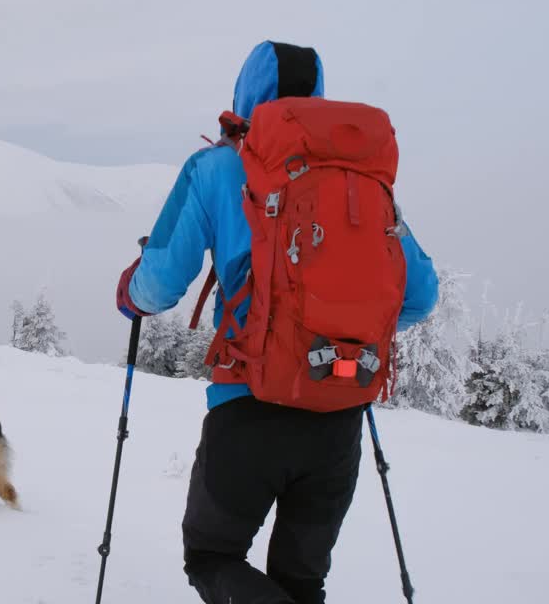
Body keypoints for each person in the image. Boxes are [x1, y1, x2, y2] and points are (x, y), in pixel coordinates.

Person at [114, 41, 439, 604]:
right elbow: (418, 298)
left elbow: (162, 283)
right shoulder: (362, 181)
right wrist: (339, 321)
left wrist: (130, 295)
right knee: (301, 581)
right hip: (338, 414)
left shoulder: (216, 167)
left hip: (249, 406)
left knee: (213, 557)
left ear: (244, 95)